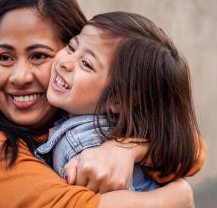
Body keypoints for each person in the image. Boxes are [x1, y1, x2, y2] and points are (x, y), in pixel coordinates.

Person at [0, 0, 205, 208]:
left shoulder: (76, 118)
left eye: (39, 55)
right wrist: (177, 196)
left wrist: (125, 149)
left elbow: (191, 146)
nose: (19, 77)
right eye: (4, 57)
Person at [35, 11, 203, 192]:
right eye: (71, 47)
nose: (65, 63)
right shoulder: (129, 127)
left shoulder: (85, 153)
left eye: (86, 64)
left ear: (119, 101)